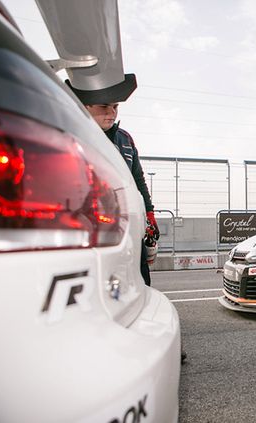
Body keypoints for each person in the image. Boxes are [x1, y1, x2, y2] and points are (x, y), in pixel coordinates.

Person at [65, 74, 158, 286]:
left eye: (115, 106)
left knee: (140, 282)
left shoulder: (125, 139)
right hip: (89, 228)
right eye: (104, 106)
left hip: (129, 225)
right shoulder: (71, 135)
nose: (112, 113)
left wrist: (150, 213)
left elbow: (138, 179)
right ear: (84, 106)